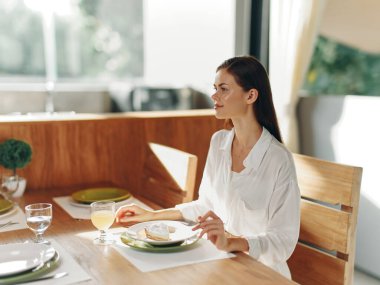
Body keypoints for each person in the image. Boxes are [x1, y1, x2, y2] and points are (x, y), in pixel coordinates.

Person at [116, 55, 300, 279]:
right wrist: (150, 216)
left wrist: (230, 242)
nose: (214, 95)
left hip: (260, 273)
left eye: (224, 89)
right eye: (215, 88)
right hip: (220, 261)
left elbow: (283, 242)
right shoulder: (219, 142)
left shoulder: (278, 159)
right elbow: (205, 205)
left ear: (251, 95)